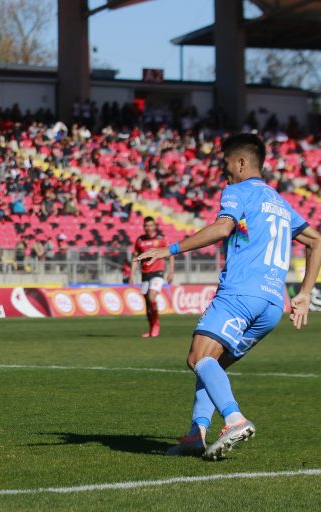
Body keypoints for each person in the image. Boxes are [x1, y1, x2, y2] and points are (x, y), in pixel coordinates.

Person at [137, 133, 321, 460]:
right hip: (271, 305)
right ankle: (196, 434)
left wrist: (171, 249)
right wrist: (304, 293)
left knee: (197, 357)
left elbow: (222, 229)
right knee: (214, 364)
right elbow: (316, 241)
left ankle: (234, 418)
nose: (224, 173)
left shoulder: (237, 191)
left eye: (226, 166)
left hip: (241, 291)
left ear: (241, 163)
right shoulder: (280, 202)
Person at [130, 217, 174, 337]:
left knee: (152, 296)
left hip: (158, 273)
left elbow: (170, 255)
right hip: (145, 274)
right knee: (148, 304)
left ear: (155, 226)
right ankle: (151, 328)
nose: (148, 228)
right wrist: (131, 275)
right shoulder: (140, 240)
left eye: (150, 225)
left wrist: (171, 272)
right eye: (146, 226)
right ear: (144, 227)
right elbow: (135, 259)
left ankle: (156, 326)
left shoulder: (160, 239)